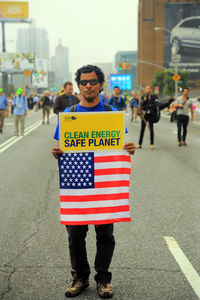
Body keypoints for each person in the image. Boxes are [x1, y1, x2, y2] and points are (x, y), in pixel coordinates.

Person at [52, 65, 135, 299]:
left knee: (105, 234)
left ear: (101, 84)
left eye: (92, 81)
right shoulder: (69, 114)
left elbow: (123, 145)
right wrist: (57, 152)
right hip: (78, 186)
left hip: (105, 186)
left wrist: (129, 148)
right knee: (75, 234)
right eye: (83, 82)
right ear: (78, 86)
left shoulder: (111, 113)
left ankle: (103, 279)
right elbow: (61, 147)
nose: (87, 85)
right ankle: (80, 277)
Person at [136, 85, 158, 150]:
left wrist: (148, 108)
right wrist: (144, 101)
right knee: (142, 129)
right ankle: (140, 144)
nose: (148, 90)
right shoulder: (143, 97)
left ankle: (152, 144)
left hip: (151, 115)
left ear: (150, 90)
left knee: (151, 129)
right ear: (145, 90)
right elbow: (141, 104)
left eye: (149, 88)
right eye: (146, 89)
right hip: (144, 115)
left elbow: (154, 105)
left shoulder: (154, 97)